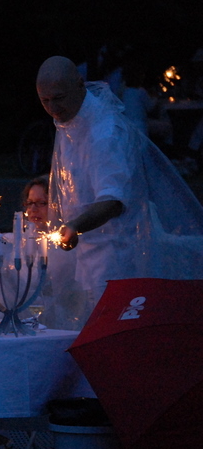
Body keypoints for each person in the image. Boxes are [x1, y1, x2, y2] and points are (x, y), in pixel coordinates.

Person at [36, 55, 203, 328]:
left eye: (58, 98)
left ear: (80, 85)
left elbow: (113, 200)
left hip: (116, 257)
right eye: (45, 101)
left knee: (113, 327)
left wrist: (75, 225)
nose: (53, 108)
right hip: (86, 255)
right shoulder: (70, 119)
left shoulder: (105, 131)